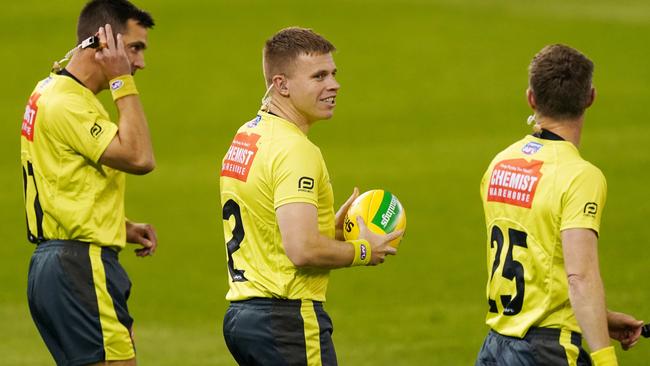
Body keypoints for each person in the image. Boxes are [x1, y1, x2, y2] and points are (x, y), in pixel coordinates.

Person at [219, 27, 403, 365]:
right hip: (286, 320)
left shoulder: (248, 135)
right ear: (281, 84)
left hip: (244, 316)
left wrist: (328, 229)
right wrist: (363, 250)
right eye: (319, 76)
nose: (334, 85)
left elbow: (266, 224)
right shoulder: (296, 150)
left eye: (333, 74)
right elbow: (301, 250)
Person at [475, 44, 644, 366]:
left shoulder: (500, 164)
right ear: (590, 97)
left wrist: (601, 319)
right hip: (548, 352)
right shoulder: (580, 177)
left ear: (531, 98)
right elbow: (579, 276)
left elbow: (535, 265)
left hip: (496, 348)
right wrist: (605, 358)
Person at [20, 0, 157, 364]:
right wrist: (121, 81)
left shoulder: (48, 90)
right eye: (134, 48)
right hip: (80, 267)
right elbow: (140, 158)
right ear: (103, 43)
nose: (141, 62)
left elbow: (59, 177)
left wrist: (119, 225)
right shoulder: (68, 103)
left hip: (58, 263)